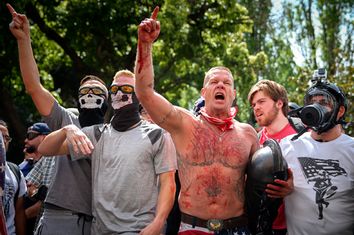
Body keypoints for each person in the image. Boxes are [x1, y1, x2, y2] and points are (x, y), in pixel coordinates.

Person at [133, 7, 293, 234]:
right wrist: (145, 45)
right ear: (203, 92)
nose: (220, 85)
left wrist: (285, 188)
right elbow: (144, 92)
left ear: (233, 94)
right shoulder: (183, 124)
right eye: (214, 82)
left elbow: (260, 187)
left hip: (237, 228)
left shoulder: (248, 134)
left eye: (226, 83)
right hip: (193, 226)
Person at [7, 4, 109, 234]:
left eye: (96, 92)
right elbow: (34, 88)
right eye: (85, 91)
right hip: (61, 216)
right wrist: (24, 40)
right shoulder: (68, 117)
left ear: (108, 100)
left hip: (99, 222)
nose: (90, 95)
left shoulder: (114, 132)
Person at [38, 70, 177, 234]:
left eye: (126, 89)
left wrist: (158, 222)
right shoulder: (97, 134)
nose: (119, 93)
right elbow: (44, 149)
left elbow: (168, 183)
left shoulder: (157, 134)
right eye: (114, 89)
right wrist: (66, 130)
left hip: (139, 229)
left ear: (139, 95)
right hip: (100, 230)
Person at [280, 77, 354, 234]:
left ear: (340, 111)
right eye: (311, 102)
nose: (315, 107)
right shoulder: (287, 145)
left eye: (324, 103)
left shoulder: (352, 150)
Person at [247, 79, 297, 235]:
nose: (256, 108)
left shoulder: (303, 137)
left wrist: (293, 187)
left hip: (293, 227)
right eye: (253, 104)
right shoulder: (254, 140)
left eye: (261, 101)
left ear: (279, 103)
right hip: (259, 226)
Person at [0, 120, 27, 235]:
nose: (3, 141)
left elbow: (19, 212)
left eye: (6, 138)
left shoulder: (15, 171)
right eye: (0, 137)